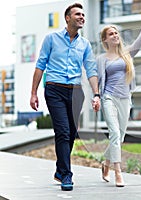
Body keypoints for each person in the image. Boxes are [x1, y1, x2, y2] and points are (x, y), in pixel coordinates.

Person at [29, 3, 100, 191]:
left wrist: (96, 93)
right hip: (54, 89)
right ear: (67, 18)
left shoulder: (84, 44)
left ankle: (60, 170)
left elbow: (91, 70)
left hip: (76, 91)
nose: (82, 17)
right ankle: (67, 174)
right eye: (78, 14)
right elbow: (40, 65)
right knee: (62, 131)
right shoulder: (51, 39)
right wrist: (33, 92)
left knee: (71, 133)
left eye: (83, 14)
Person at [96, 9, 141, 187]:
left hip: (125, 99)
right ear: (105, 40)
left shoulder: (127, 54)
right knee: (114, 133)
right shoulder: (102, 59)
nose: (115, 35)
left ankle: (106, 163)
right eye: (111, 33)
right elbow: (98, 80)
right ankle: (118, 173)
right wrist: (97, 97)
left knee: (119, 137)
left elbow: (140, 41)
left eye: (116, 32)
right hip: (109, 98)